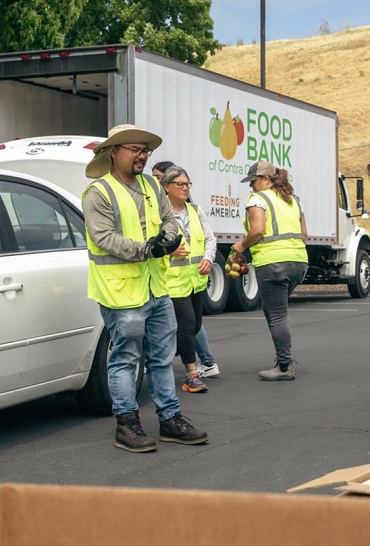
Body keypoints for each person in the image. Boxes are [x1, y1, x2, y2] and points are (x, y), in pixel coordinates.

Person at [82, 123, 209, 451]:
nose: (142, 156)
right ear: (114, 153)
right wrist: (148, 249)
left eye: (145, 151)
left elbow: (169, 220)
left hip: (156, 288)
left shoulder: (154, 187)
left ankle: (170, 419)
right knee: (125, 357)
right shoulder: (99, 192)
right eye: (135, 150)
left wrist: (168, 237)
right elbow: (105, 238)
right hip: (121, 292)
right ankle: (126, 425)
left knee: (162, 357)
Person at [231, 160, 308, 380]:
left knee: (277, 315)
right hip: (298, 262)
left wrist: (241, 246)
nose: (250, 186)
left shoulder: (258, 198)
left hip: (273, 263)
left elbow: (257, 230)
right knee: (274, 311)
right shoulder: (294, 200)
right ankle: (282, 358)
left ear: (266, 179)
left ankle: (284, 366)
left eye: (253, 181)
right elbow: (304, 234)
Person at [153, 161, 220, 378]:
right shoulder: (158, 214)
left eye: (187, 183)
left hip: (196, 280)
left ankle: (160, 358)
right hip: (172, 282)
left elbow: (210, 238)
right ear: (166, 187)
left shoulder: (196, 211)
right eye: (179, 183)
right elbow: (149, 242)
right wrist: (168, 250)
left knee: (195, 324)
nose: (185, 187)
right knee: (188, 324)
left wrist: (209, 259)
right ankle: (192, 373)